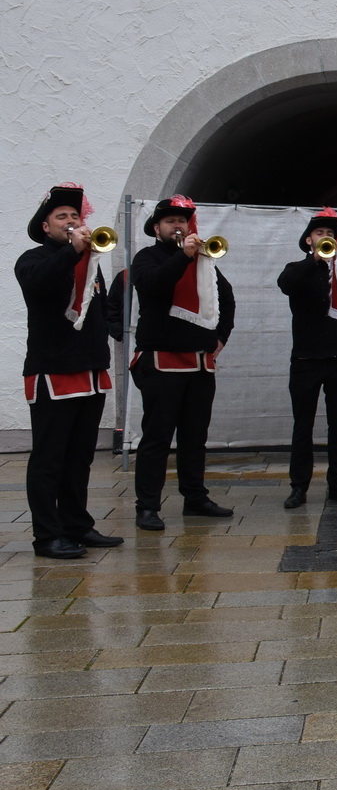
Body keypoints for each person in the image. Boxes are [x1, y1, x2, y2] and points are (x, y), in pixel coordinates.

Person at [15, 183, 125, 558]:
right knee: (49, 458)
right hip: (53, 373)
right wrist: (74, 251)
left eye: (76, 217)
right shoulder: (34, 259)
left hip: (90, 371)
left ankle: (78, 525)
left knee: (80, 456)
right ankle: (47, 536)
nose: (72, 222)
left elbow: (103, 309)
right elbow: (38, 283)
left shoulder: (89, 263)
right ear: (46, 226)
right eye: (62, 217)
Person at [130, 195, 236, 532]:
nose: (179, 226)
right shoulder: (147, 258)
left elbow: (227, 297)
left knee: (195, 437)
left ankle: (195, 498)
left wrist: (221, 337)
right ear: (157, 228)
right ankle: (147, 506)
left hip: (200, 364)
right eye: (171, 221)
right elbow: (155, 285)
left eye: (183, 221)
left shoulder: (204, 262)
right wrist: (183, 256)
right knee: (157, 438)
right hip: (162, 362)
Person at [278, 208, 337, 510]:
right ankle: (298, 487)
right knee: (302, 426)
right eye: (320, 234)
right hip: (306, 360)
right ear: (309, 240)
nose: (326, 238)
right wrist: (315, 261)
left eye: (331, 235)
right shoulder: (299, 269)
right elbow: (286, 284)